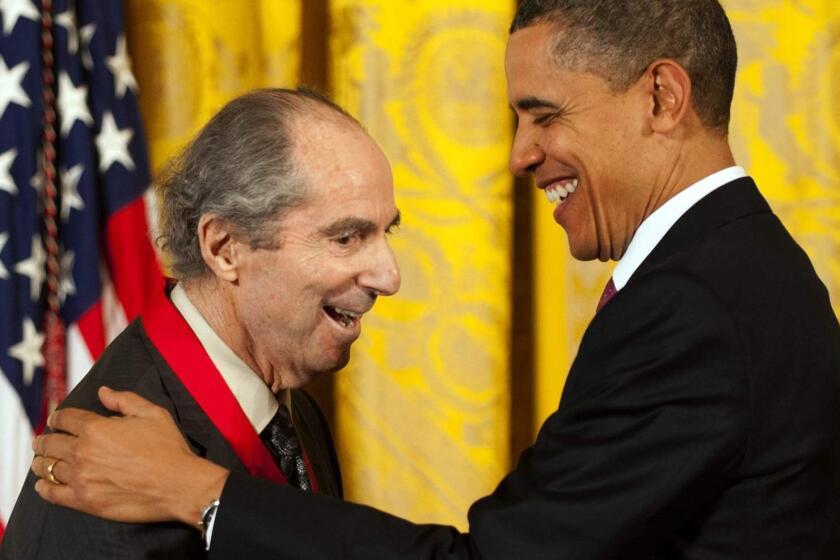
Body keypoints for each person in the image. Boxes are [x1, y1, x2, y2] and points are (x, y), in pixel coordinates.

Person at [21, 0, 840, 558]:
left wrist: (203, 495)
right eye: (347, 234)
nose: (520, 154)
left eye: (545, 114)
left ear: (661, 95)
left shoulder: (693, 304)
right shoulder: (99, 461)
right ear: (226, 247)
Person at [0, 88, 401, 558]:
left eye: (386, 231)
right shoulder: (103, 474)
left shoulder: (297, 415)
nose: (389, 276)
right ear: (224, 247)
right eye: (346, 237)